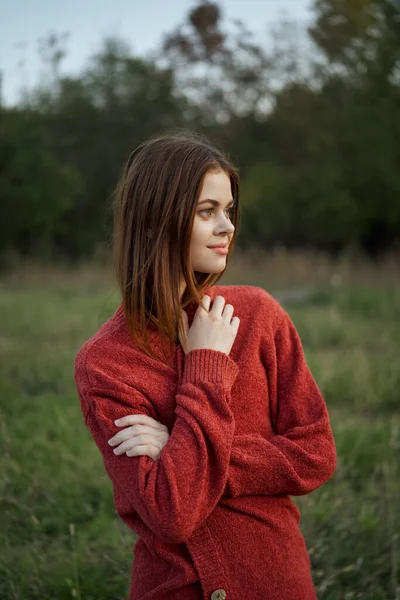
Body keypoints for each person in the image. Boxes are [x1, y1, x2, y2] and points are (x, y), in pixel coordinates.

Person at [74, 130, 337, 600]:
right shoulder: (106, 363)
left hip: (279, 580)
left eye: (229, 211)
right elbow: (172, 513)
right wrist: (206, 366)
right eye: (206, 212)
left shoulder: (257, 315)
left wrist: (182, 448)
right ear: (156, 221)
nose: (228, 227)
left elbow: (315, 452)